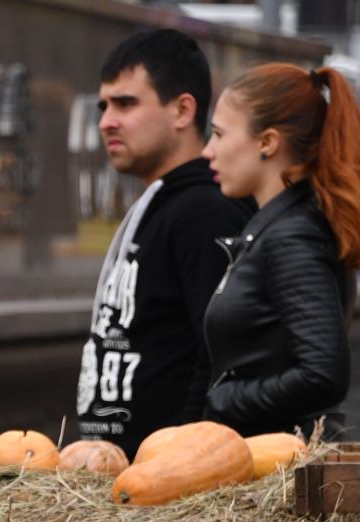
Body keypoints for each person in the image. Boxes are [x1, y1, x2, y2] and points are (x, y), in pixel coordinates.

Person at [77, 29, 254, 458]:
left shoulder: (206, 211)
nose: (106, 121)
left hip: (171, 488)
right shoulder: (162, 201)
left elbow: (222, 355)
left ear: (182, 110)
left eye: (125, 103)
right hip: (123, 486)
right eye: (103, 106)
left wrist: (181, 461)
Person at [199, 63, 360, 433]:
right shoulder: (282, 226)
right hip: (270, 462)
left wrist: (223, 401)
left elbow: (323, 374)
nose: (208, 151)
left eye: (219, 135)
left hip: (281, 470)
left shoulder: (291, 236)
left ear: (267, 142)